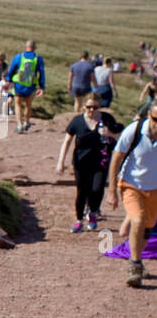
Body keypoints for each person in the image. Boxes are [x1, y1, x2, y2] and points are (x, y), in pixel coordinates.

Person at [107, 99, 157, 287]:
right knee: (138, 219)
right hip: (131, 185)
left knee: (147, 228)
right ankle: (134, 265)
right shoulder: (134, 131)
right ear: (149, 115)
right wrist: (112, 189)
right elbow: (116, 158)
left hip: (154, 188)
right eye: (155, 118)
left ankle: (138, 259)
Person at [56, 93, 119, 232]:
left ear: (99, 106)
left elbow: (120, 136)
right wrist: (61, 162)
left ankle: (93, 211)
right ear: (84, 106)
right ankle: (79, 220)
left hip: (100, 161)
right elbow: (67, 141)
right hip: (81, 162)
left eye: (95, 107)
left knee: (97, 189)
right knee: (82, 192)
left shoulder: (107, 119)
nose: (91, 110)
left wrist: (109, 134)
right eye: (88, 107)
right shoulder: (77, 121)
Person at [7, 39, 45, 133]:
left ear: (26, 47)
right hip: (31, 85)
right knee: (28, 105)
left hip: (19, 85)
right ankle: (27, 122)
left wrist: (9, 80)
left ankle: (19, 125)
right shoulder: (38, 59)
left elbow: (11, 69)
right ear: (35, 48)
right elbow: (42, 73)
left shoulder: (19, 57)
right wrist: (41, 87)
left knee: (18, 105)